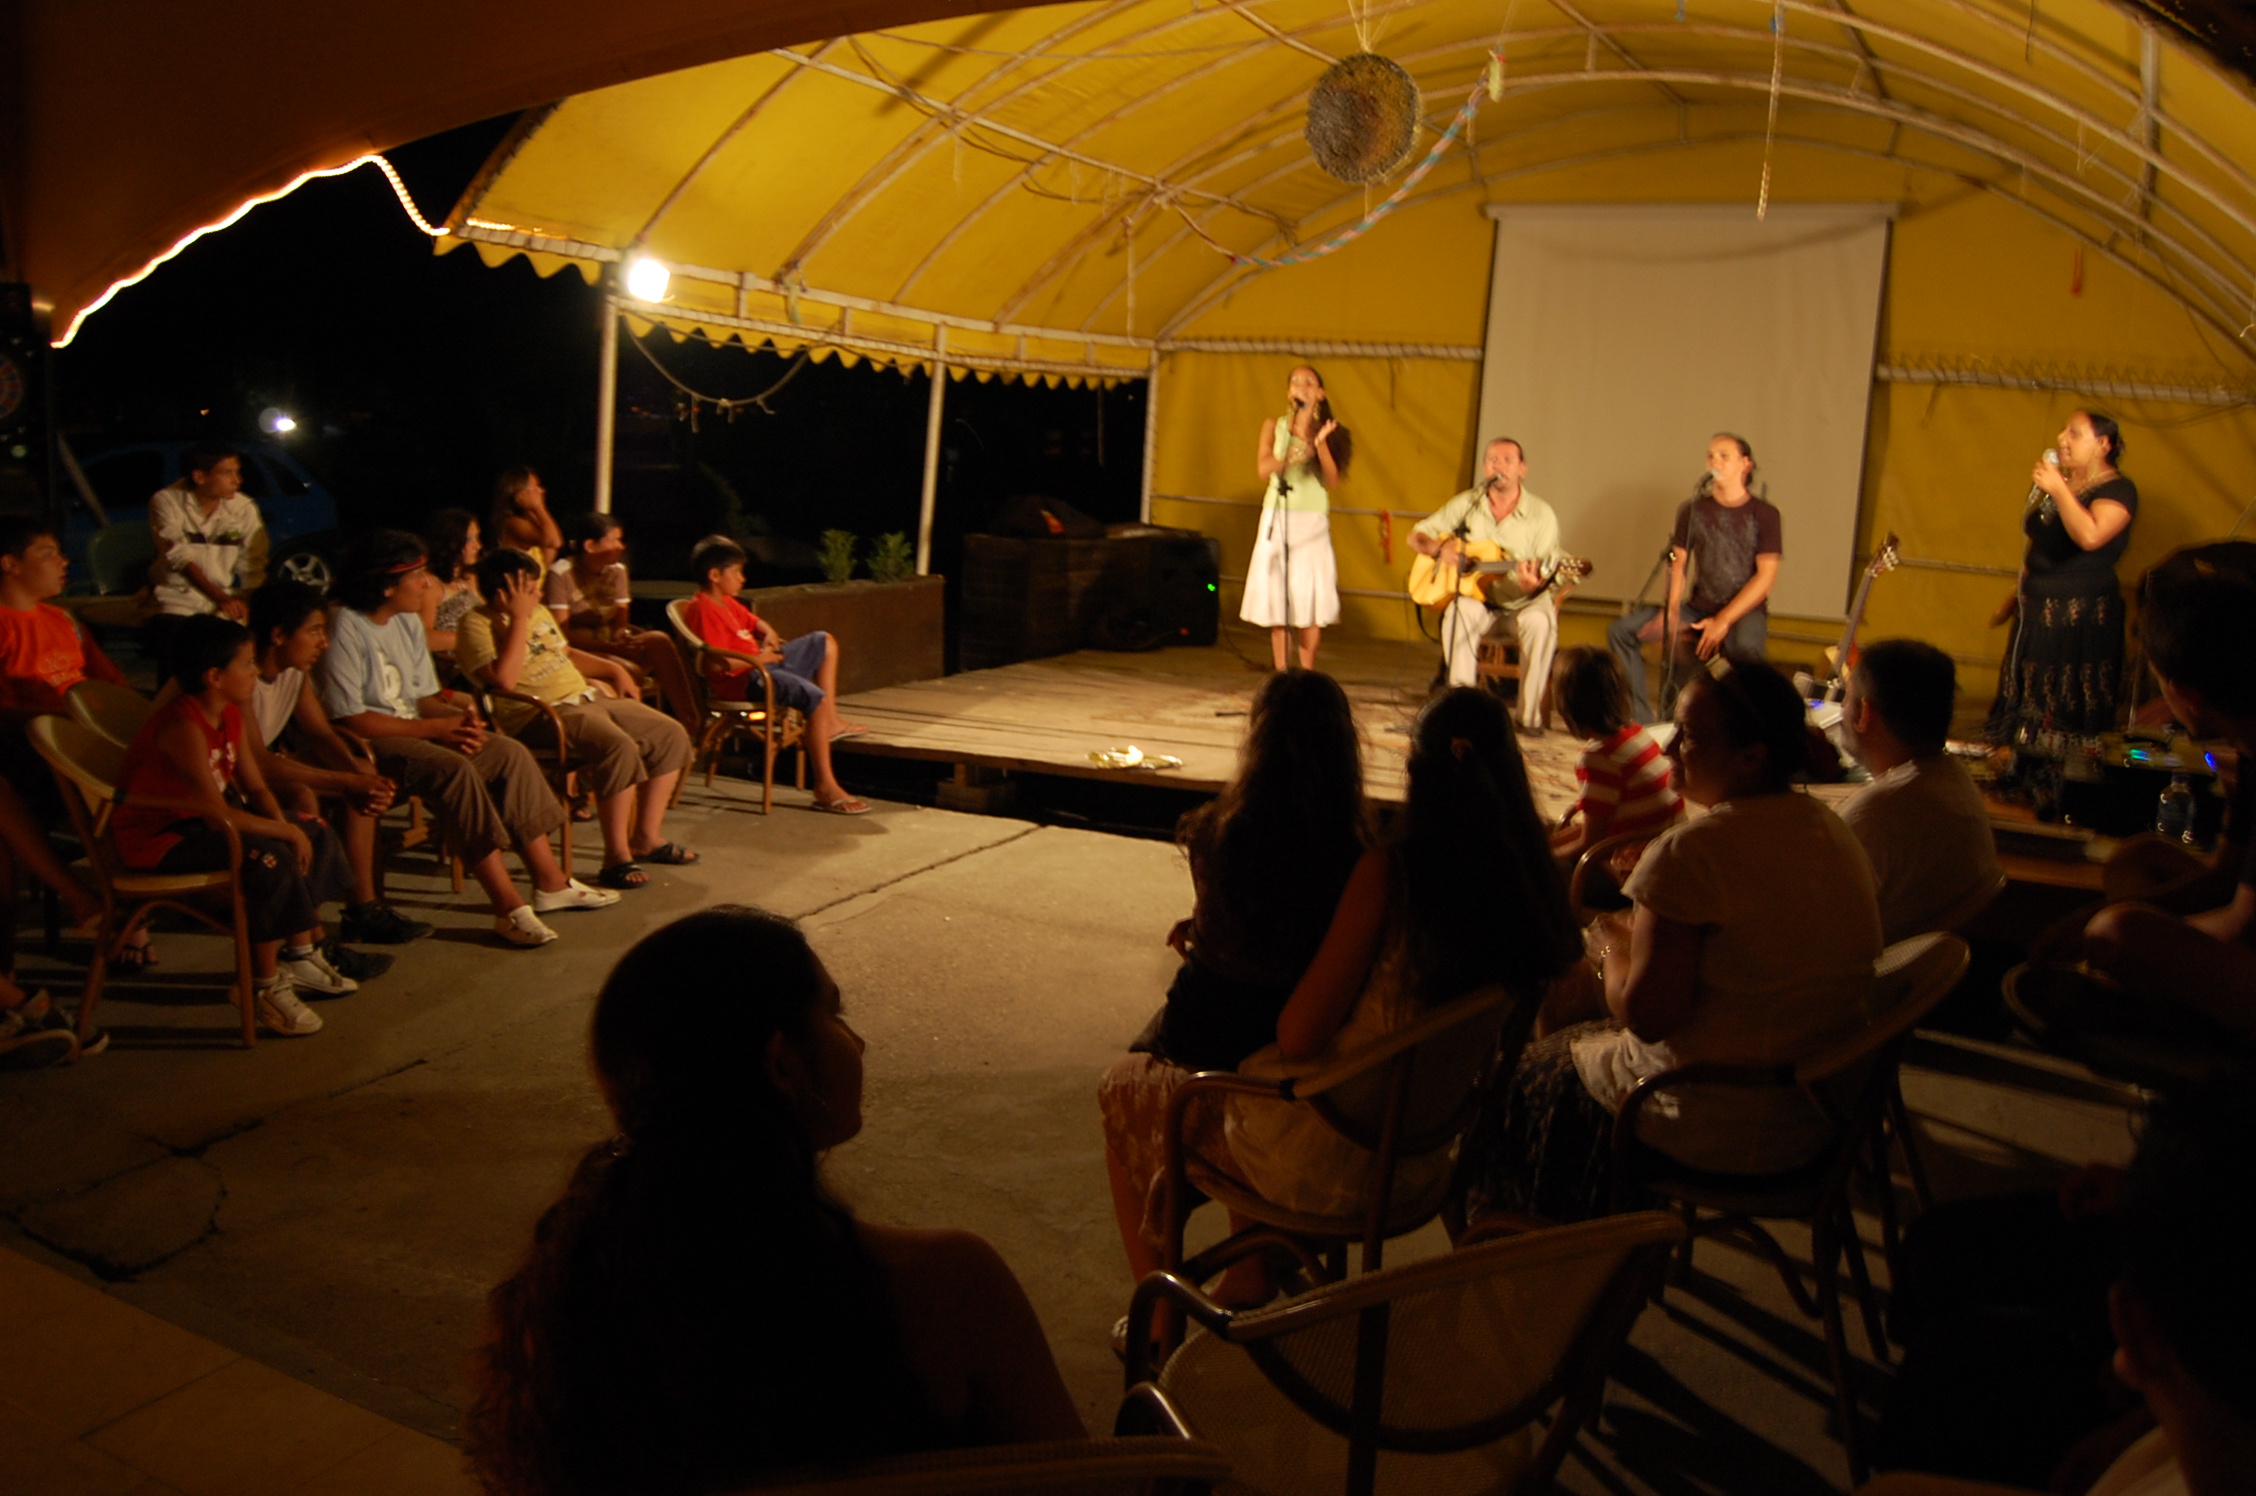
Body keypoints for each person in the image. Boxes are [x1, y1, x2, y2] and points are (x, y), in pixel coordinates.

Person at [465, 906, 1084, 1495]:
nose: (858, 1042)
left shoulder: (554, 1298)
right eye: (835, 1014)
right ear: (782, 1062)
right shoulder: (944, 1283)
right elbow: (1081, 1478)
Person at [1459, 660, 1882, 1224]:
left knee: (1518, 1073)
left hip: (1717, 1115)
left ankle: (1552, 1240)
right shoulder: (1832, 829)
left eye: (1691, 737)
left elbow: (1647, 1017)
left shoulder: (1693, 852)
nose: (1669, 748)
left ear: (1751, 757)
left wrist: (1609, 946)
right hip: (1816, 1107)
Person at [1099, 670, 1371, 1295]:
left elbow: (1225, 971)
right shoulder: (1356, 853)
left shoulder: (1216, 834)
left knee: (1125, 1093)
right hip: (1303, 1067)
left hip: (1231, 1070)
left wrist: (1207, 929)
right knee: (1228, 1038)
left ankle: (1158, 1308)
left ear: (1257, 742)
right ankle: (1249, 1265)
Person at [318, 530, 617, 948]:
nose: (427, 585)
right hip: (370, 741)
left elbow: (424, 699)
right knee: (454, 769)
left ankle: (551, 881)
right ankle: (508, 908)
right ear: (386, 585)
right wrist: (436, 730)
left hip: (413, 727)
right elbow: (351, 718)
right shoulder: (345, 626)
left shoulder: (405, 621)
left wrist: (460, 721)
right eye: (417, 576)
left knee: (507, 752)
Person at [113, 615, 345, 1036]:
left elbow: (255, 788)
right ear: (214, 676)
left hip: (202, 826)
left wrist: (285, 824)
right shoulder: (183, 726)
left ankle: (300, 952)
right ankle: (261, 984)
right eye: (247, 664)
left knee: (315, 830)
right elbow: (213, 813)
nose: (256, 672)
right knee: (270, 858)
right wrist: (282, 833)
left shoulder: (230, 714)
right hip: (161, 838)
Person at [2075, 543, 2256, 1039]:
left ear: (2189, 694)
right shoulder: (2247, 742)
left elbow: (2243, 925)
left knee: (2116, 934)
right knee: (2139, 861)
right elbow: (2225, 877)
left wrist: (2112, 935)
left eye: (2161, 683)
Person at [456, 549, 698, 889]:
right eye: (530, 589)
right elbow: (504, 681)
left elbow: (565, 653)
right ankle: (616, 857)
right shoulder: (475, 623)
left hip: (584, 697)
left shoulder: (538, 612)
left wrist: (613, 669)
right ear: (503, 592)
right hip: (538, 712)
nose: (538, 595)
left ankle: (645, 837)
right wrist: (519, 619)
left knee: (668, 732)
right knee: (618, 746)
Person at [242, 580, 434, 949]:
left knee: (362, 771)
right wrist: (345, 781)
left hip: (258, 768)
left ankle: (363, 909)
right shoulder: (240, 674)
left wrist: (355, 773)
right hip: (231, 780)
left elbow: (321, 733)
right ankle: (309, 933)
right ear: (278, 635)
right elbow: (257, 762)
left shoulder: (294, 672)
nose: (324, 643)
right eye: (315, 631)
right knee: (304, 793)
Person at [0, 517, 154, 970]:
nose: (63, 562)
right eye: (48, 553)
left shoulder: (63, 620)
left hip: (83, 742)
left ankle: (130, 909)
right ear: (9, 564)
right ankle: (120, 917)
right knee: (95, 794)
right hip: (29, 753)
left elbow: (110, 684)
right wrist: (63, 720)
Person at [682, 535, 870, 815]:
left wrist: (767, 633)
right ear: (714, 575)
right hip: (746, 680)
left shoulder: (727, 602)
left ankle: (830, 721)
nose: (743, 579)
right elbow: (716, 665)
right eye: (737, 572)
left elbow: (755, 622)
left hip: (762, 667)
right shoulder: (703, 609)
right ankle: (825, 786)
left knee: (824, 642)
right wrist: (762, 659)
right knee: (814, 697)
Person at [1838, 638, 2004, 944]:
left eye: (1846, 698)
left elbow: (1811, 928)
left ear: (1863, 713)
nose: (1841, 710)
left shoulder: (1877, 814)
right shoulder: (1952, 778)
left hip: (1870, 969)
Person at [1607, 434, 1781, 724]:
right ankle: (1646, 721)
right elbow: (1678, 564)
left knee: (1745, 650)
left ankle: (1747, 728)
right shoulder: (1693, 509)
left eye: (1724, 456)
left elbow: (1766, 577)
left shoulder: (1764, 514)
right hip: (1698, 607)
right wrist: (1672, 612)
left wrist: (1723, 620)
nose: (1715, 462)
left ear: (1746, 464)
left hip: (1743, 612)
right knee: (1622, 631)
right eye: (1711, 456)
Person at [1986, 410, 2138, 742]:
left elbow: (2091, 536)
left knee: (2063, 696)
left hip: (2078, 614)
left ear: (2103, 444)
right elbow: (2040, 545)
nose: (2061, 439)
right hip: (2037, 608)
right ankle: (2017, 750)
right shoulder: (2063, 485)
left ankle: (2060, 755)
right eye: (2062, 431)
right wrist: (2013, 595)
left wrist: (2058, 489)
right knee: (2026, 687)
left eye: (2074, 433)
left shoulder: (2119, 490)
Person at [1410, 437, 1569, 732]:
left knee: (1541, 622)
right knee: (1458, 613)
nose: (1500, 466)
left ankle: (1528, 719)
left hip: (1523, 604)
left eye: (1508, 460)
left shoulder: (1541, 514)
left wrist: (1533, 585)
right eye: (1493, 460)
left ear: (1522, 469)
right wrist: (1440, 549)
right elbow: (1416, 537)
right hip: (1481, 603)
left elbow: (1548, 570)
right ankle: (1463, 713)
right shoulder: (1467, 504)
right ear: (1485, 468)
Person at [1242, 364, 1352, 672]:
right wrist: (1291, 455)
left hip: (1312, 521)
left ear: (1321, 393)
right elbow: (1263, 468)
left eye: (1308, 382)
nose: (1301, 386)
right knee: (1278, 600)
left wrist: (1319, 445)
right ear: (1288, 392)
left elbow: (1332, 479)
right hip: (1276, 515)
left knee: (1308, 603)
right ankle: (1281, 673)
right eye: (1295, 382)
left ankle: (1306, 674)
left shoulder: (1330, 429)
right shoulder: (1273, 425)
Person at [547, 511, 700, 731]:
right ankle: (639, 729)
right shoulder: (561, 574)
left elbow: (621, 621)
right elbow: (563, 636)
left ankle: (691, 721)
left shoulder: (617, 571)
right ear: (590, 545)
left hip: (610, 643)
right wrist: (611, 647)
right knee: (630, 669)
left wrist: (623, 637)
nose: (621, 546)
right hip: (581, 650)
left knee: (658, 640)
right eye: (614, 540)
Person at [1548, 644, 1682, 867]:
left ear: (1568, 704)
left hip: (1637, 864)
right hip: (1666, 849)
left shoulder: (1599, 758)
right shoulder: (1635, 733)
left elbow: (1591, 843)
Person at [144, 442, 263, 672]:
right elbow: (179, 557)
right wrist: (220, 597)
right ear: (199, 476)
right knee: (180, 652)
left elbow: (253, 563)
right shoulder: (167, 501)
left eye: (237, 472)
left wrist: (247, 602)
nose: (237, 480)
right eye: (227, 473)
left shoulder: (243, 507)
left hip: (224, 602)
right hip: (177, 599)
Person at [417, 507, 484, 656]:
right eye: (470, 540)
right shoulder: (431, 585)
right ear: (452, 543)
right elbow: (424, 637)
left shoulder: (470, 579)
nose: (478, 546)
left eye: (477, 538)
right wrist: (474, 639)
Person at [491, 468, 563, 568]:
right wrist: (538, 508)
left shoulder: (537, 526)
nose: (541, 491)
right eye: (536, 486)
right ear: (521, 493)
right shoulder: (512, 522)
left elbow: (551, 548)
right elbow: (554, 541)